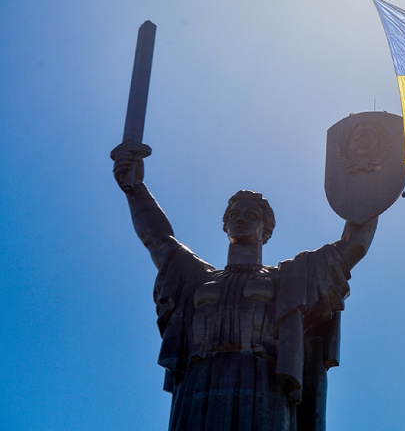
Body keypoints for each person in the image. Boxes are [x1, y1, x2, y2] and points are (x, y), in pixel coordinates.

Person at [112, 146, 377, 431]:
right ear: (225, 225)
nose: (240, 219)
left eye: (251, 215)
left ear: (266, 229)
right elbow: (158, 239)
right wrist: (134, 188)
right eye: (234, 214)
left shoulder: (290, 278)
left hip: (263, 382)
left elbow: (353, 246)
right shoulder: (197, 279)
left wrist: (376, 178)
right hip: (198, 382)